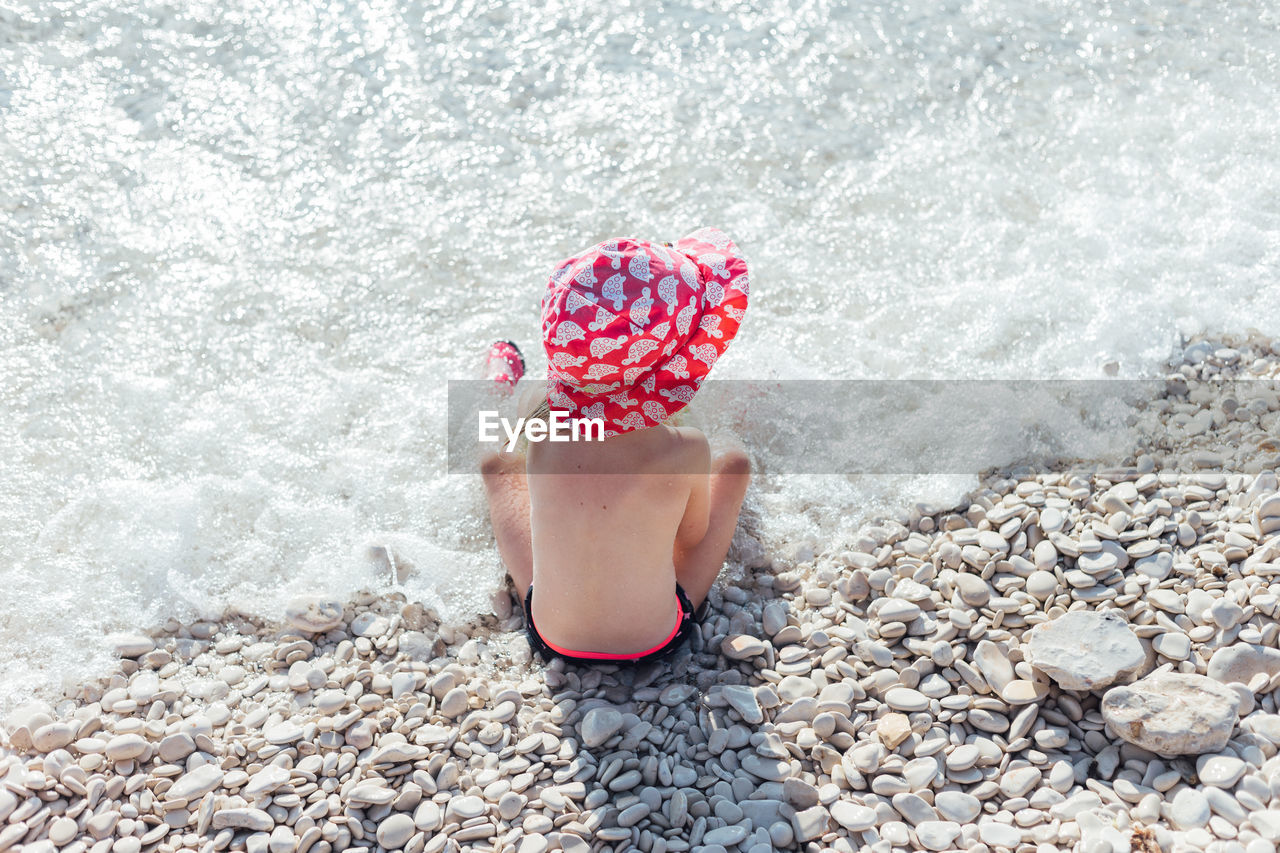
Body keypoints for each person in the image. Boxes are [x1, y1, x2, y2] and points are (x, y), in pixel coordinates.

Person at [480, 228, 752, 664]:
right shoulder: (683, 450)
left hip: (549, 632)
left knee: (495, 462)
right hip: (657, 638)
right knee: (735, 463)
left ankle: (495, 389)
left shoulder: (546, 429)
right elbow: (689, 537)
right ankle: (738, 418)